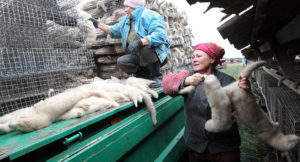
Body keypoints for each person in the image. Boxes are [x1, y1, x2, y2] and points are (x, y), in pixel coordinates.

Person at [162, 42, 250, 162]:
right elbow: (167, 84)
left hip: (224, 148)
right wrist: (186, 81)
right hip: (196, 147)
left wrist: (246, 93)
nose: (194, 60)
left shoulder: (227, 80)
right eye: (193, 57)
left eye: (199, 56)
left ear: (212, 59)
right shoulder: (188, 76)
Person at [89, 0, 170, 88]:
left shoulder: (151, 16)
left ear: (135, 7)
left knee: (145, 48)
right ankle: (144, 75)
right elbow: (111, 30)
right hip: (139, 57)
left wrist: (140, 42)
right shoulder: (126, 21)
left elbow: (161, 35)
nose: (125, 10)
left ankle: (156, 76)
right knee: (122, 61)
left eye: (128, 7)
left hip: (155, 55)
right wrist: (96, 23)